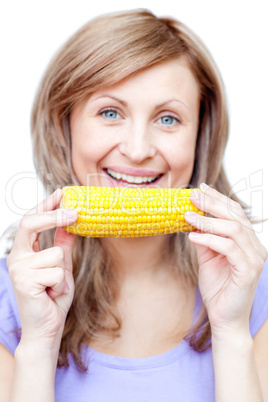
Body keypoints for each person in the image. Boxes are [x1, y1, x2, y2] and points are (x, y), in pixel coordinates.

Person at [0, 8, 267, 402]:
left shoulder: (253, 290)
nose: (138, 149)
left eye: (168, 119)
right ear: (64, 124)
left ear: (200, 137)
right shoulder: (10, 298)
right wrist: (39, 344)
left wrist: (230, 332)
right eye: (110, 112)